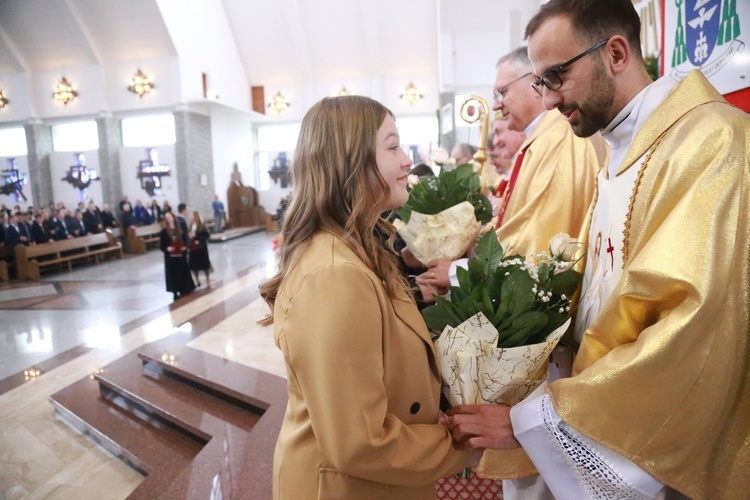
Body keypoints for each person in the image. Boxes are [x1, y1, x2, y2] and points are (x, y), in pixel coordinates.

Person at [448, 1, 750, 499]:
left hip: (667, 450)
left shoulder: (712, 142)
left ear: (614, 53)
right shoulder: (618, 152)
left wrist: (536, 421)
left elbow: (696, 329)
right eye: (540, 83)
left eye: (556, 76)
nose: (547, 102)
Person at [258, 96, 474, 499]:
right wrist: (463, 444)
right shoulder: (335, 274)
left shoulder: (358, 246)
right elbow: (360, 442)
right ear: (350, 161)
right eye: (392, 147)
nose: (408, 161)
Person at [422, 46, 605, 303]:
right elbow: (519, 221)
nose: (496, 104)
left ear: (533, 80)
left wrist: (459, 272)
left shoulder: (558, 138)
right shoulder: (543, 137)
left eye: (502, 92)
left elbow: (540, 238)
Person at [159, 211, 195, 301]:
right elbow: (161, 245)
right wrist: (167, 249)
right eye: (167, 218)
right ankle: (175, 292)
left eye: (170, 217)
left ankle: (184, 288)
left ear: (173, 217)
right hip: (170, 257)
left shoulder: (179, 229)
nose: (168, 219)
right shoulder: (164, 231)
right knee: (173, 275)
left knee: (182, 272)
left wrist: (185, 247)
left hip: (180, 255)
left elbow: (186, 240)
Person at [188, 211, 212, 287]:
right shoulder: (190, 225)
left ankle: (208, 280)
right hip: (193, 248)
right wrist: (190, 237)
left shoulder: (202, 225)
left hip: (201, 248)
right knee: (194, 266)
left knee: (204, 265)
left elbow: (207, 235)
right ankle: (197, 280)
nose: (191, 217)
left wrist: (200, 241)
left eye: (192, 215)